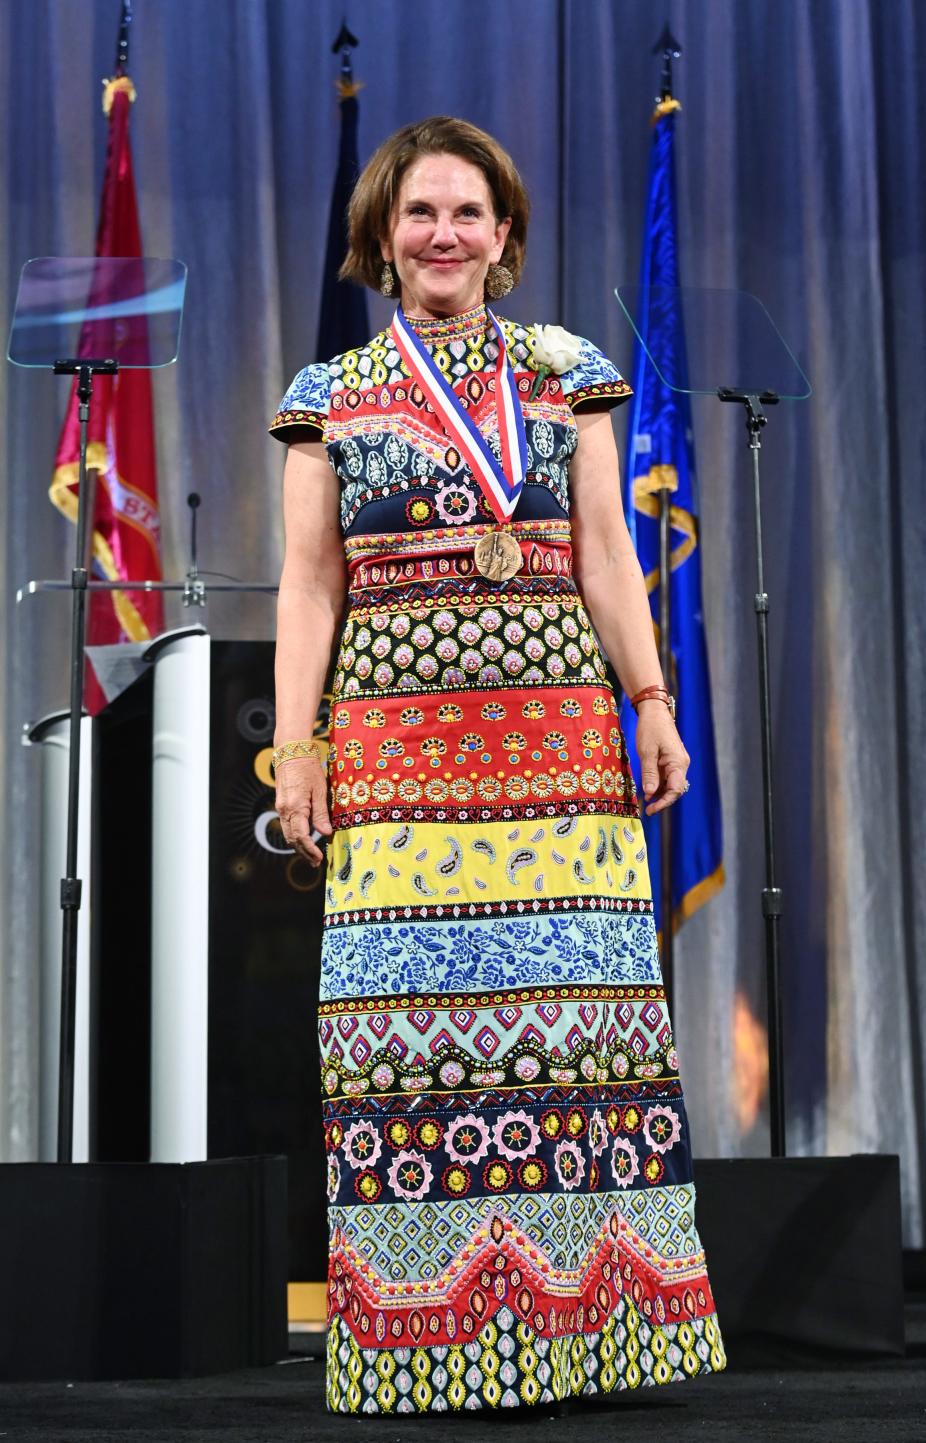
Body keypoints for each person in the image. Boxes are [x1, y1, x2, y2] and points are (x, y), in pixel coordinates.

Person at [270, 115, 726, 1415]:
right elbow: (311, 586)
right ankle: (427, 1339)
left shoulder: (564, 367)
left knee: (573, 1034)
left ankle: (587, 1334)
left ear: (506, 235)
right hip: (399, 759)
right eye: (421, 213)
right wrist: (297, 747)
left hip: (558, 748)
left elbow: (603, 552)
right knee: (404, 1043)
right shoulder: (329, 397)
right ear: (383, 236)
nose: (444, 234)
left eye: (468, 212)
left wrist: (650, 700)